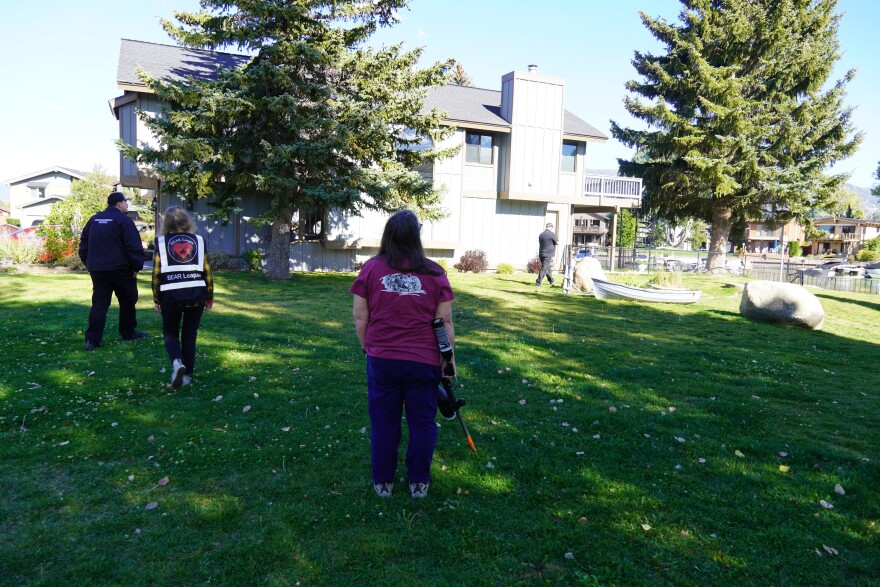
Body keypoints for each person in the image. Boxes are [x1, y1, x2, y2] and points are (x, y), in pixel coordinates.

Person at [350, 210, 455, 499]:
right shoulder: (435, 273)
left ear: (388, 236)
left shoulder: (371, 269)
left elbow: (360, 317)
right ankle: (418, 483)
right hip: (424, 362)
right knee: (422, 422)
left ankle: (383, 482)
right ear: (416, 237)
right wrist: (448, 360)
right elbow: (444, 323)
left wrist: (367, 347)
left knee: (384, 421)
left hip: (382, 359)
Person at [151, 206, 214, 388]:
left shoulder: (161, 242)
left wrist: (157, 299)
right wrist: (209, 296)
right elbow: (207, 270)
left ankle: (177, 363)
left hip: (170, 295)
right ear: (187, 221)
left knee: (170, 333)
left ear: (166, 223)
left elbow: (156, 274)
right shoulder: (199, 241)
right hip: (196, 293)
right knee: (189, 335)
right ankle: (187, 376)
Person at [79, 191, 147, 350]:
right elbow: (133, 246)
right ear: (119, 203)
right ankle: (128, 332)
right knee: (128, 301)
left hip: (99, 270)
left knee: (99, 304)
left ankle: (92, 340)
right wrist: (136, 266)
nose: (127, 205)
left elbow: (83, 244)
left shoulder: (94, 219)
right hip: (121, 270)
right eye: (125, 202)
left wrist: (89, 264)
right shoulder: (124, 221)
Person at [536, 222, 558, 286]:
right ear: (551, 227)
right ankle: (538, 282)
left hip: (541, 253)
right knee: (544, 268)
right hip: (548, 254)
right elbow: (558, 242)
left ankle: (551, 280)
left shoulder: (541, 234)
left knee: (547, 268)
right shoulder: (551, 234)